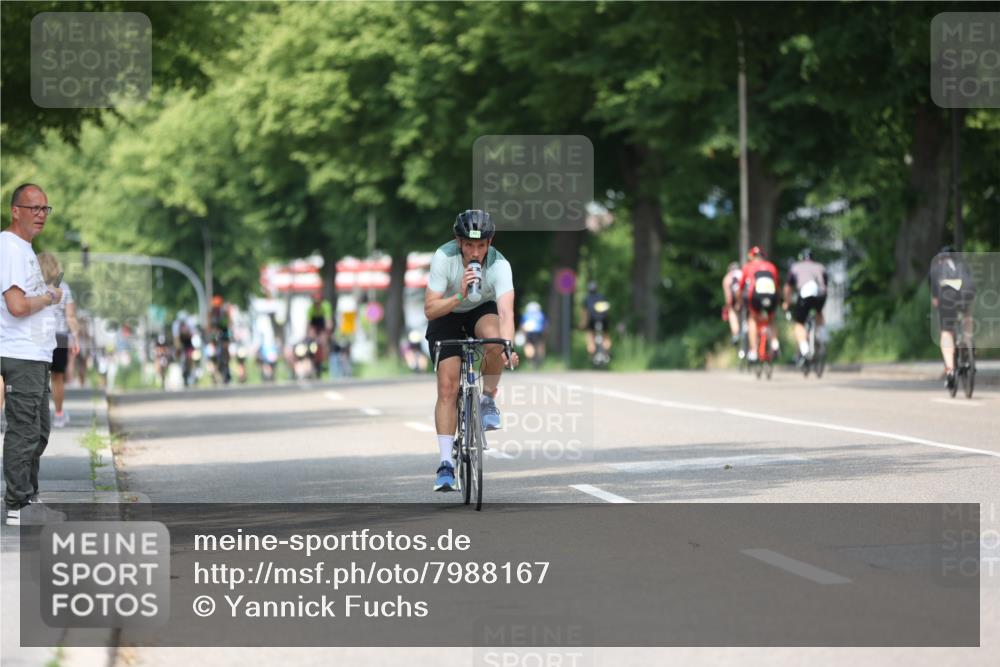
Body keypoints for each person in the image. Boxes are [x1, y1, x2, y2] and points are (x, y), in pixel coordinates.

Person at [424, 209, 519, 492]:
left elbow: (506, 313)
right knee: (448, 387)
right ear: (458, 242)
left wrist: (507, 346)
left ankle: (487, 399)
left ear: (490, 242)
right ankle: (445, 465)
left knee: (495, 341)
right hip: (447, 311)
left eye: (481, 245)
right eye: (468, 245)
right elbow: (430, 309)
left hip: (481, 309)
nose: (475, 252)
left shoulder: (500, 265)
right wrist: (460, 295)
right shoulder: (444, 258)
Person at [1, 183, 66, 525]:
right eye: (33, 208)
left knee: (38, 431)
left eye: (45, 209)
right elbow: (16, 306)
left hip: (36, 355)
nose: (41, 214)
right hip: (21, 353)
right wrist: (50, 297)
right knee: (24, 431)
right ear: (15, 211)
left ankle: (29, 498)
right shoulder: (10, 247)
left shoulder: (24, 248)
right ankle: (18, 505)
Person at [37, 252, 79, 427]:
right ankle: (59, 415)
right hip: (60, 337)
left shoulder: (34, 286)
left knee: (38, 378)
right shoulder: (64, 287)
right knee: (57, 378)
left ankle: (37, 416)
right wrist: (75, 337)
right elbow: (70, 317)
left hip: (39, 335)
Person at [929, 246, 976, 390]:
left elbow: (935, 299)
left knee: (946, 332)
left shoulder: (935, 269)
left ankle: (950, 370)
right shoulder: (962, 265)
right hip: (966, 293)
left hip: (947, 297)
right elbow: (970, 285)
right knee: (967, 315)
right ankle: (968, 342)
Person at [783, 248, 828, 366]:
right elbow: (825, 284)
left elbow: (788, 287)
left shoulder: (795, 267)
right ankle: (822, 338)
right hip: (820, 295)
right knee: (819, 312)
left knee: (799, 323)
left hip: (805, 294)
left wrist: (787, 302)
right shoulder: (820, 267)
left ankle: (805, 350)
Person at [738, 246, 780, 362]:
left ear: (751, 256)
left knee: (752, 319)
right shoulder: (771, 266)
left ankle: (753, 351)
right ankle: (775, 343)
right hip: (771, 297)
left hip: (755, 296)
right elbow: (777, 286)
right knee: (771, 319)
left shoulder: (748, 267)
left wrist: (739, 302)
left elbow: (740, 288)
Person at [582, 281, 612, 357]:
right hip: (603, 320)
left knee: (590, 336)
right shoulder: (602, 297)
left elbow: (585, 313)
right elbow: (607, 310)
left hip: (592, 320)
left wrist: (583, 323)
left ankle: (591, 352)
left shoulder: (587, 299)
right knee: (606, 336)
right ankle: (607, 350)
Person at [722, 261, 743, 346]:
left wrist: (729, 306)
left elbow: (728, 297)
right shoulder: (742, 273)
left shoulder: (727, 278)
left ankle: (735, 333)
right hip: (745, 298)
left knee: (732, 312)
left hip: (735, 298)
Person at [520, 301, 547, 367]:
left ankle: (531, 360)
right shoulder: (541, 315)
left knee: (528, 345)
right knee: (539, 345)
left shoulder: (526, 315)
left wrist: (523, 333)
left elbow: (522, 326)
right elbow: (545, 326)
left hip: (529, 332)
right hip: (539, 332)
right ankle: (539, 360)